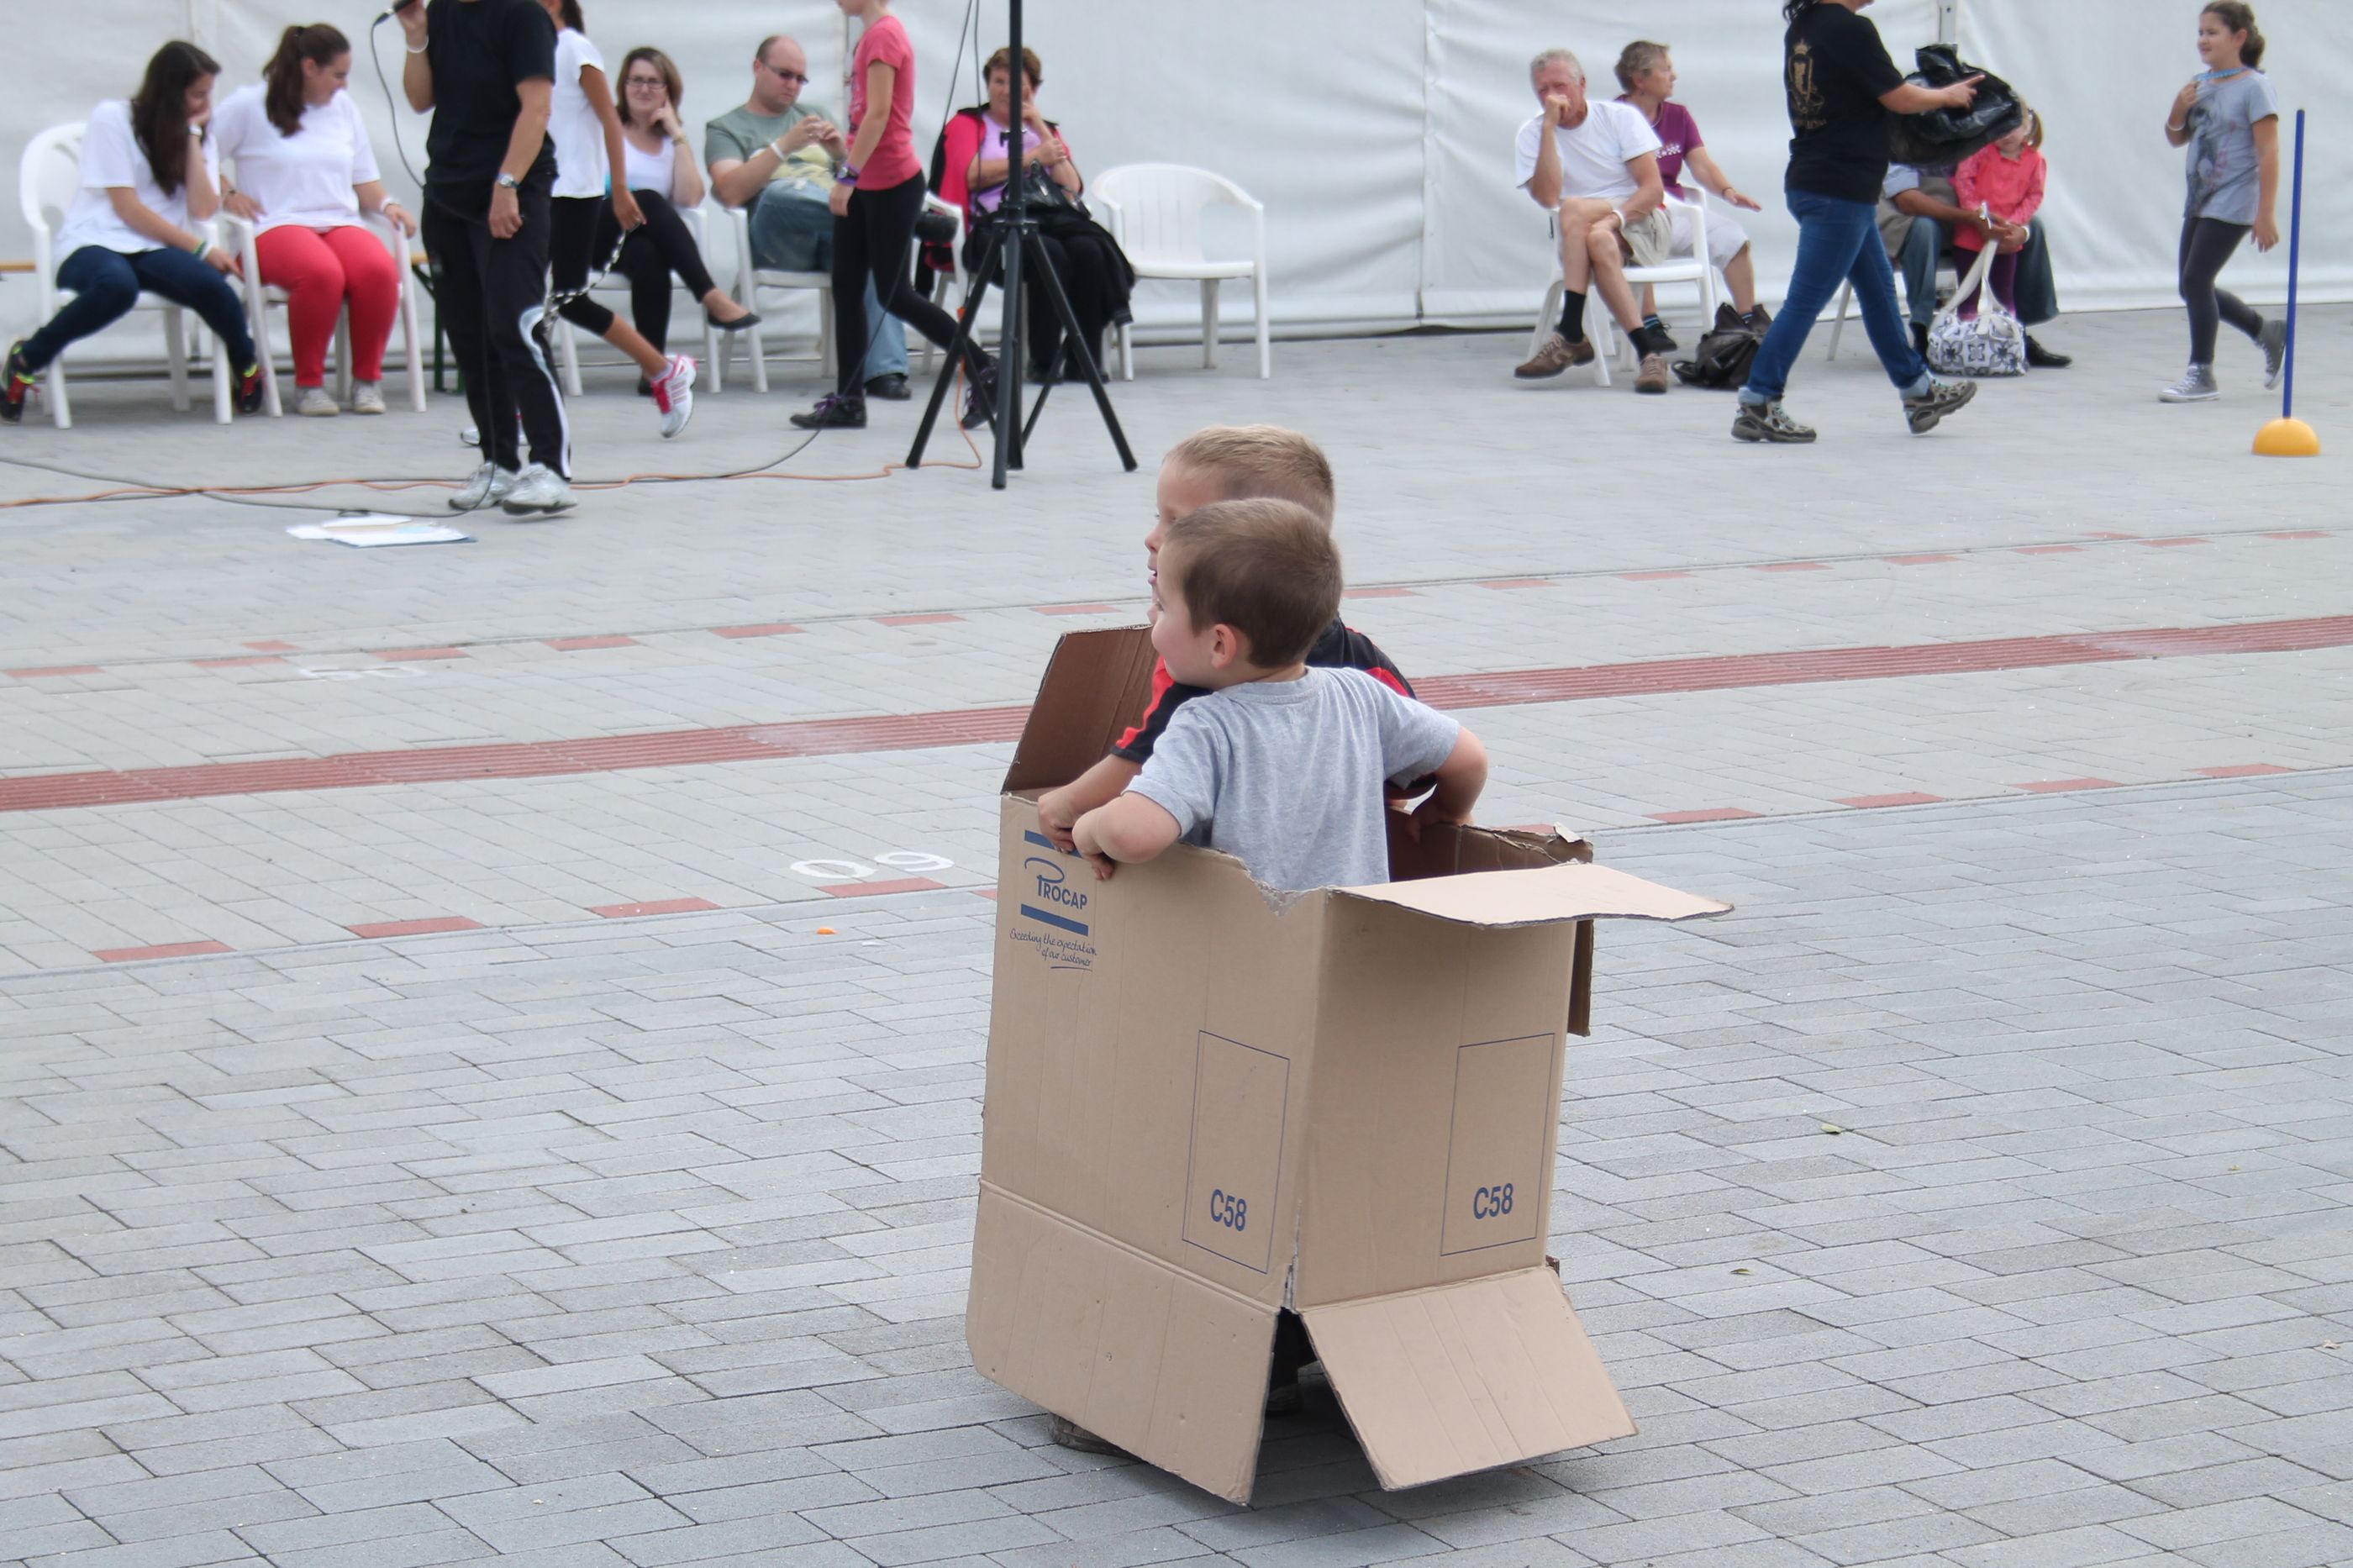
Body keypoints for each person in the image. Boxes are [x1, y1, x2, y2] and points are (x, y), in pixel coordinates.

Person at [1070, 498, 1487, 893]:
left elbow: (1134, 834)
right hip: (1352, 928)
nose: (1151, 615)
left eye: (1162, 607)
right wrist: (1446, 810)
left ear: (1219, 644)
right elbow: (1468, 758)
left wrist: (1089, 828)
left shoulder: (1206, 727)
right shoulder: (1361, 695)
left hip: (1252, 939)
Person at [1035, 426, 1419, 855]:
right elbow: (1421, 767)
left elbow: (1141, 759)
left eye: (1178, 523)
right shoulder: (1363, 667)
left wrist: (1067, 805)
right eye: (1158, 517)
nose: (1152, 537)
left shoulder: (1199, 665)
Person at [1731, 0, 1982, 445]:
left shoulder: (1804, 25)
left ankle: (1918, 391)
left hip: (1825, 183)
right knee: (1806, 302)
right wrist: (1948, 95)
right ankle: (1758, 400)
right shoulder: (1851, 28)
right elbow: (1898, 97)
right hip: (1839, 190)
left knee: (1879, 294)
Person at [3, 42, 265, 425]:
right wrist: (200, 248)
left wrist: (192, 136)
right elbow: (127, 208)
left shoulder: (198, 133)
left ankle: (245, 365)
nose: (206, 104)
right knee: (117, 286)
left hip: (154, 248)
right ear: (170, 91)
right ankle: (26, 360)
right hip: (94, 241)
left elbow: (203, 209)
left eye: (209, 93)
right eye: (198, 94)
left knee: (213, 288)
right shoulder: (113, 118)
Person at [399, 0, 573, 517]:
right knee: (469, 335)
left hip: (512, 189)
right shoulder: (444, 12)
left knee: (515, 324)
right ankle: (499, 462)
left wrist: (507, 183)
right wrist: (416, 36)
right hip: (448, 191)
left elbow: (536, 108)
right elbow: (420, 99)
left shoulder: (522, 16)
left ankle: (550, 466)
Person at [791, 0, 997, 432]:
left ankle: (984, 367)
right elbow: (866, 117)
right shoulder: (871, 37)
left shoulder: (884, 35)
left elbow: (880, 115)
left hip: (890, 185)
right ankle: (849, 400)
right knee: (847, 287)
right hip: (866, 183)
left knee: (895, 295)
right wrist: (844, 155)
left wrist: (847, 177)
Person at [211, 24, 408, 418]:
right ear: (309, 67)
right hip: (273, 224)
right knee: (321, 273)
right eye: (338, 75)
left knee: (379, 271)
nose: (344, 85)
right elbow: (198, 158)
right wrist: (229, 194)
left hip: (337, 219)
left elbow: (364, 179)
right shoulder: (249, 104)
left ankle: (367, 381)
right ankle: (309, 385)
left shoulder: (344, 108)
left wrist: (387, 205)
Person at [705, 33, 910, 403]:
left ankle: (886, 373)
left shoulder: (817, 115)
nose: (793, 86)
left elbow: (857, 180)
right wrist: (784, 145)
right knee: (781, 195)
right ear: (757, 67)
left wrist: (840, 155)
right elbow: (730, 191)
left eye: (801, 78)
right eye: (785, 75)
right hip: (777, 240)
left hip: (832, 231)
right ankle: (900, 221)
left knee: (870, 249)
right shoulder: (726, 127)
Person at [538, 0, 695, 436]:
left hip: (574, 193)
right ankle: (519, 409)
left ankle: (662, 369)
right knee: (532, 302)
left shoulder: (574, 48)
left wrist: (621, 189)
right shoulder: (532, 47)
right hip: (541, 190)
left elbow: (609, 118)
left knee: (562, 299)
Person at [936, 47, 1130, 387]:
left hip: (1047, 219)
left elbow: (1072, 187)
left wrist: (1039, 127)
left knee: (1089, 250)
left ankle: (1083, 359)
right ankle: (1043, 360)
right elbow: (969, 175)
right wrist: (1030, 159)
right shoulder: (968, 124)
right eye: (998, 82)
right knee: (1048, 252)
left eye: (1016, 85)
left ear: (1033, 90)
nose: (1005, 91)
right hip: (993, 227)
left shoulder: (1044, 132)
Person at [1513, 48, 1680, 394]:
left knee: (1575, 209)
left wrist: (1612, 219)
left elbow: (1652, 190)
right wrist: (1549, 129)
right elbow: (1547, 197)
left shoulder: (1620, 118)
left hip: (1639, 219)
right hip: (1582, 237)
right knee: (1596, 238)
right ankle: (1649, 354)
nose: (1552, 96)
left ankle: (1571, 329)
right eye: (1543, 90)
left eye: (1560, 86)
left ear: (1582, 85)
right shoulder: (1532, 134)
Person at [2160, 1, 2284, 403]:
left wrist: (2265, 214)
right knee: (2191, 285)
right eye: (2200, 32)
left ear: (2239, 37)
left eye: (2212, 32)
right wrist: (2178, 109)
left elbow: (2268, 152)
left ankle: (2202, 373)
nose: (2203, 40)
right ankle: (2266, 331)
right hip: (2200, 198)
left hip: (2234, 199)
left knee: (2196, 280)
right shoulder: (2200, 84)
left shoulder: (2255, 87)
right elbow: (2177, 138)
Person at [611, 48, 759, 375]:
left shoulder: (670, 143)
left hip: (633, 243)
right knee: (648, 199)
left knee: (650, 255)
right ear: (623, 85)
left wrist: (678, 136)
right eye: (636, 80)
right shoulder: (605, 128)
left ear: (668, 90)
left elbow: (690, 198)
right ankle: (709, 295)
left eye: (654, 82)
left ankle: (653, 370)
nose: (644, 89)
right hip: (597, 232)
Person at [1612, 39, 1768, 339]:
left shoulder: (1678, 116)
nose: (1674, 76)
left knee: (1733, 238)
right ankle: (1649, 323)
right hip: (1631, 213)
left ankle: (1748, 322)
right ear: (1640, 79)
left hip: (1675, 213)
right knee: (1638, 239)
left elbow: (1702, 165)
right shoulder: (1612, 117)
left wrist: (1728, 192)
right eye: (1666, 69)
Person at [1877, 161, 2071, 364]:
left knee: (2032, 228)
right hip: (1916, 217)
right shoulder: (1900, 146)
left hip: (1972, 215)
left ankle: (2016, 331)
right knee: (1924, 230)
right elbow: (1907, 201)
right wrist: (1972, 218)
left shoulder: (1972, 144)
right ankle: (1922, 331)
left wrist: (2018, 229)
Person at [1950, 108, 2045, 324]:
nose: (2006, 135)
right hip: (1971, 234)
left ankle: (2005, 332)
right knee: (1968, 293)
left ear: (2026, 126)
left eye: (2013, 128)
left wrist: (2014, 222)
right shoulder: (1978, 151)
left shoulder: (2035, 160)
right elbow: (1964, 180)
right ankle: (1966, 332)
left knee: (2004, 293)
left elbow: (2035, 195)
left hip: (2006, 237)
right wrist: (1979, 214)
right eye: (1999, 129)